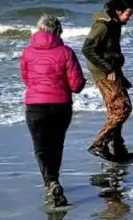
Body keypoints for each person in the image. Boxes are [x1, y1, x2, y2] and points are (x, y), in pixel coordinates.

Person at [20, 13, 86, 208]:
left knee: (41, 147)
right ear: (58, 30)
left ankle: (50, 182)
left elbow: (26, 79)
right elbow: (76, 85)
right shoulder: (66, 52)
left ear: (39, 29)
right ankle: (53, 179)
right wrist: (82, 82)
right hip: (60, 105)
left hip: (35, 106)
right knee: (56, 146)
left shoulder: (27, 52)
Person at [83, 0, 133, 163]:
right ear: (118, 11)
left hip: (113, 71)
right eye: (127, 15)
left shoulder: (114, 24)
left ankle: (119, 149)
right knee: (122, 109)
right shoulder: (103, 26)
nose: (129, 19)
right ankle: (99, 145)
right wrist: (107, 69)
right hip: (104, 73)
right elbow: (87, 49)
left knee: (116, 111)